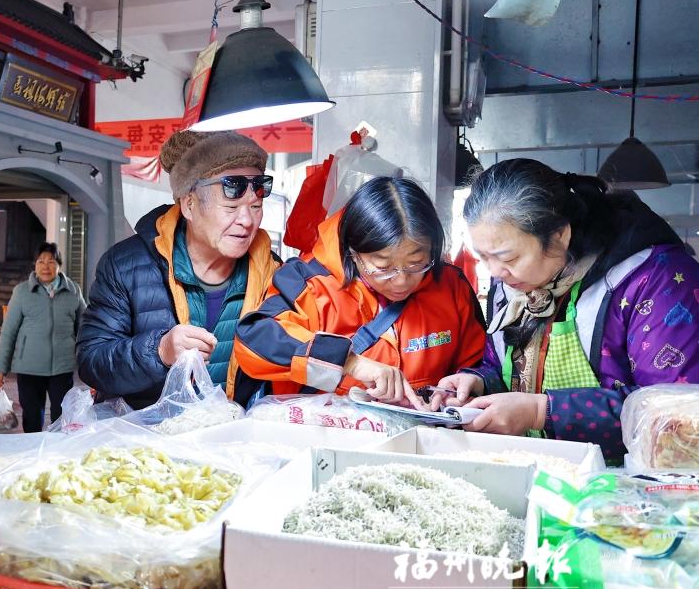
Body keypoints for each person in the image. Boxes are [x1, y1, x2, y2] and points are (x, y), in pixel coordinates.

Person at [432, 159, 699, 463]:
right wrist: (477, 382)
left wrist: (539, 411)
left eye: (508, 256)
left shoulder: (654, 279)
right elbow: (504, 366)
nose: (495, 272)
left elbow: (675, 415)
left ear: (560, 235)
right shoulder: (511, 282)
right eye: (483, 257)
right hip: (537, 472)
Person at [235, 176, 485, 403]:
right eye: (383, 267)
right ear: (353, 253)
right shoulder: (308, 284)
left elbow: (479, 363)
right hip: (326, 441)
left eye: (416, 264)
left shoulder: (452, 286)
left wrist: (465, 387)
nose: (401, 281)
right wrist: (349, 362)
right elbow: (254, 340)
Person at [77, 130, 279, 409]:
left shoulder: (272, 272)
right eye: (231, 207)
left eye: (255, 206)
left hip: (233, 443)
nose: (247, 220)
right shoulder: (126, 265)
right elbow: (92, 362)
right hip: (146, 445)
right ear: (190, 204)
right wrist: (159, 351)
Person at [0, 242, 87, 433]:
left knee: (62, 417)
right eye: (41, 261)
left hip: (62, 367)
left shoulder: (73, 291)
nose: (45, 266)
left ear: (59, 265)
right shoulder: (22, 292)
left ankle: (56, 456)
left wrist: (90, 366)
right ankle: (33, 454)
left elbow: (85, 329)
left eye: (51, 261)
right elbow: (9, 330)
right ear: (35, 265)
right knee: (32, 417)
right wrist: (0, 368)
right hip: (29, 368)